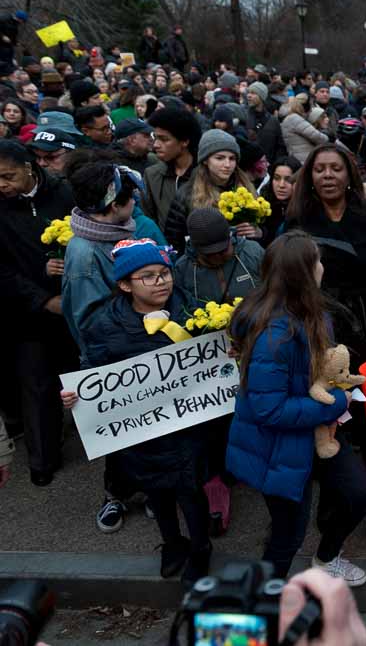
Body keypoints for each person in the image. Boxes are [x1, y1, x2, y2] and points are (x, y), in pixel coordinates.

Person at [226, 231, 366, 584]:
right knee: (287, 535)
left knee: (357, 494)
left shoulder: (313, 312)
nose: (323, 267)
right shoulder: (275, 336)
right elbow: (269, 410)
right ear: (303, 273)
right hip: (279, 447)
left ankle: (326, 558)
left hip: (316, 433)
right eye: (317, 261)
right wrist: (336, 402)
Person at [63, 239, 211, 584]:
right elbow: (91, 374)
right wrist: (74, 397)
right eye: (148, 276)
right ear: (125, 284)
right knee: (156, 489)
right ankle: (173, 543)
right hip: (141, 431)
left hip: (186, 427)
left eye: (164, 273)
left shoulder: (193, 312)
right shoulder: (104, 326)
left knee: (190, 490)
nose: (161, 281)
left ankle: (201, 549)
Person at [285, 143, 366, 540]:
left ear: (349, 175)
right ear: (310, 176)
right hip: (317, 329)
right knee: (325, 415)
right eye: (319, 169)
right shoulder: (297, 221)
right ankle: (334, 497)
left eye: (335, 168)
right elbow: (284, 279)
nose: (327, 175)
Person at [0, 140, 78, 487]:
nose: (2, 185)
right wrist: (41, 299)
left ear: (30, 168)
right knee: (37, 383)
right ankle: (42, 459)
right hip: (26, 311)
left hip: (74, 304)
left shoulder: (63, 193)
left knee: (81, 375)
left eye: (8, 176)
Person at [164, 130, 262, 253]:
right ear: (205, 160)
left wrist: (258, 233)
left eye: (232, 158)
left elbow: (266, 232)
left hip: (242, 262)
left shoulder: (248, 189)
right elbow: (174, 240)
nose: (227, 164)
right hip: (202, 264)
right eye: (220, 158)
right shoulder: (187, 194)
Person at [173, 208, 263, 305]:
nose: (217, 257)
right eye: (209, 254)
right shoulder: (182, 269)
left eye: (222, 251)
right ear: (196, 248)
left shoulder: (253, 252)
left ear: (230, 237)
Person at [145, 107, 201, 230]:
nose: (156, 145)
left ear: (184, 141)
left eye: (164, 139)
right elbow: (149, 219)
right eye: (155, 138)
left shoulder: (206, 174)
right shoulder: (152, 174)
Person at [258, 155, 301, 246]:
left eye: (288, 180)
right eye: (276, 178)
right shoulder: (262, 204)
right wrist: (261, 234)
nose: (281, 185)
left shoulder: (307, 207)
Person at [280, 94, 330, 162]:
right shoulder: (294, 118)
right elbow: (318, 137)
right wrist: (327, 136)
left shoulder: (291, 118)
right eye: (310, 107)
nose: (311, 110)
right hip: (303, 160)